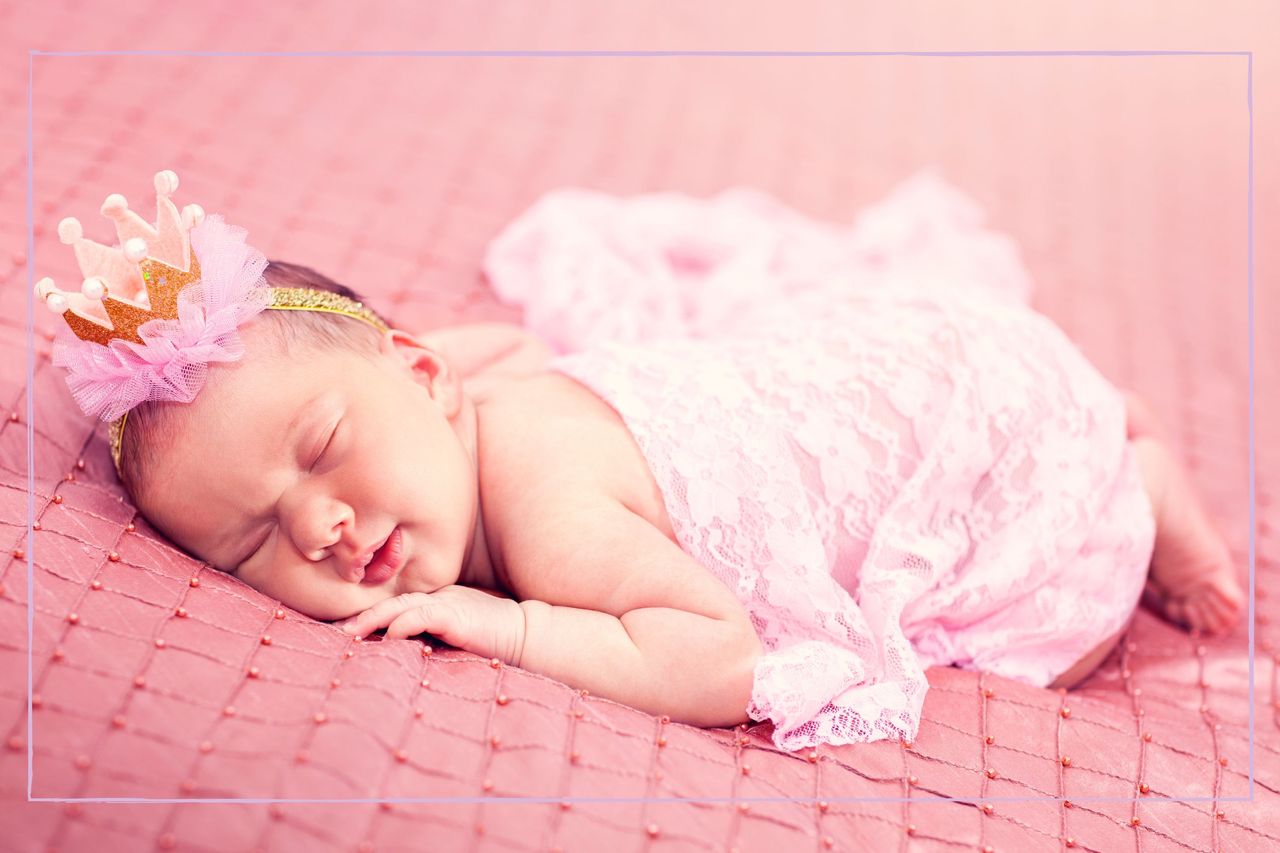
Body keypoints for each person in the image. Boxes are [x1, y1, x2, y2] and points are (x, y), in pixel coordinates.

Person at [39, 170, 1243, 750]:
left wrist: (497, 621)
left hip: (990, 424)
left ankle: (1128, 475)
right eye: (252, 541)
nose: (321, 529)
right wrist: (362, 401)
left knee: (1061, 636)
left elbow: (713, 657)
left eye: (319, 451)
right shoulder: (476, 389)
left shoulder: (552, 511)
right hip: (911, 355)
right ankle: (1108, 414)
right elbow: (478, 348)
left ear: (420, 375)